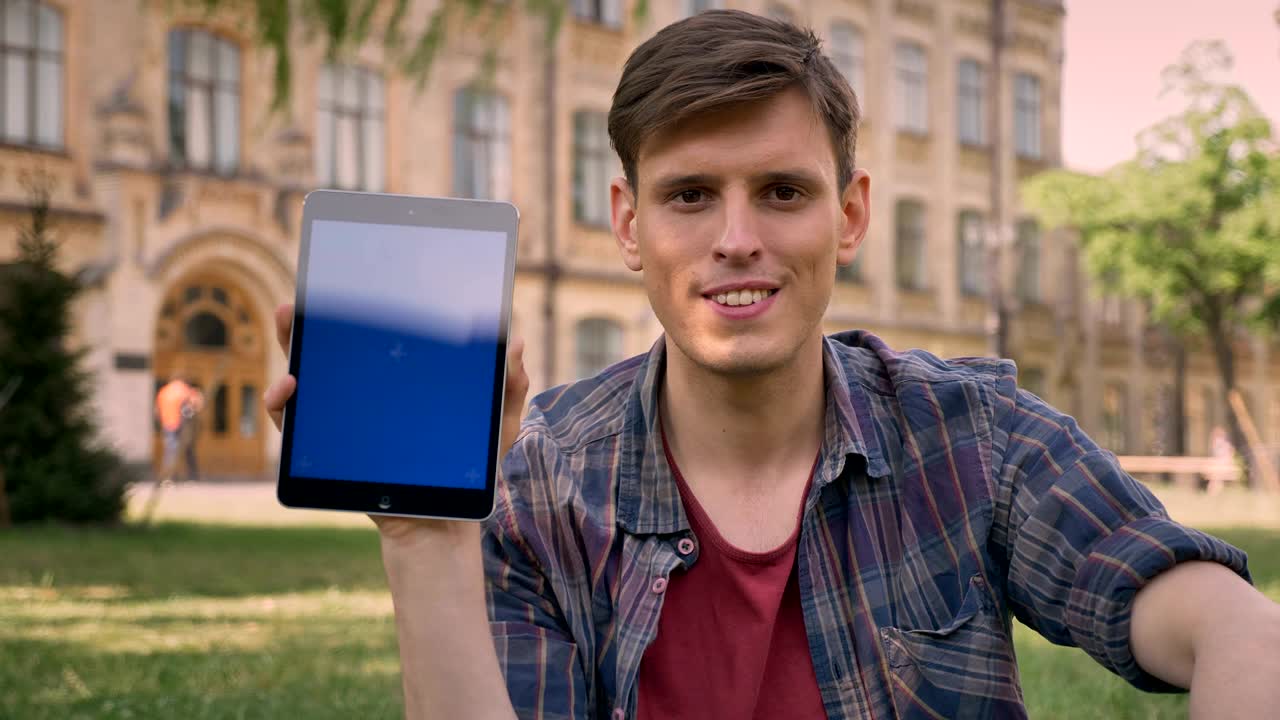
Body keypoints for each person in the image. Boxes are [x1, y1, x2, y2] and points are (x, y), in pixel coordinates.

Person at [265, 11, 1280, 719]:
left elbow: (1226, 627)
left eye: (783, 192)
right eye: (689, 194)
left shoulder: (975, 439)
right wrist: (425, 543)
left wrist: (1237, 641)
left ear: (848, 215)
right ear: (628, 224)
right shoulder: (541, 485)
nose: (736, 238)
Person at [155, 374, 203, 484]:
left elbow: (157, 411)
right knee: (187, 449)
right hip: (182, 424)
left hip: (168, 424)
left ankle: (169, 477)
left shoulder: (164, 392)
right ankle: (192, 476)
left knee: (170, 450)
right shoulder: (183, 390)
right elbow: (196, 403)